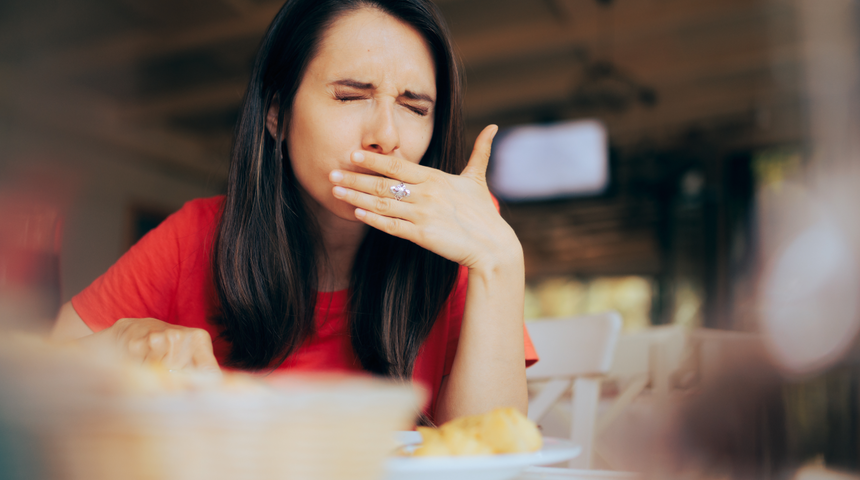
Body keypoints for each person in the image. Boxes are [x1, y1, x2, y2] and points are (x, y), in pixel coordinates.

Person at [50, 0, 537, 424]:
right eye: (350, 96)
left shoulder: (463, 239)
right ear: (277, 113)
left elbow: (488, 452)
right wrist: (126, 342)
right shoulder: (196, 236)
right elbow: (40, 377)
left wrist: (498, 260)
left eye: (415, 108)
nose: (386, 137)